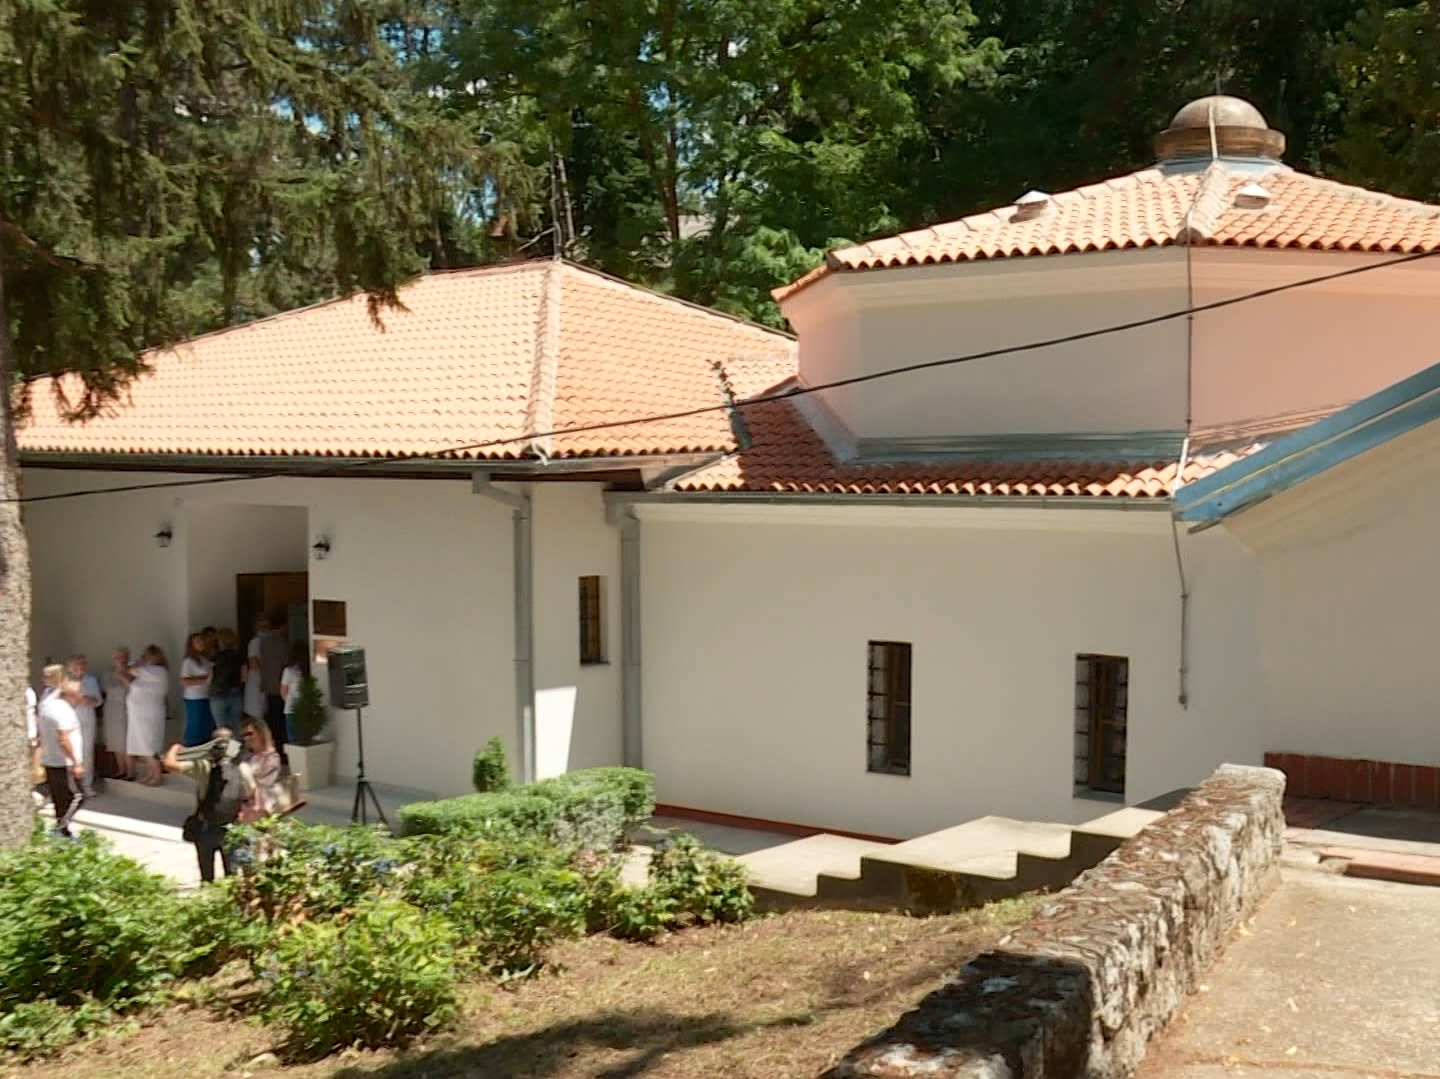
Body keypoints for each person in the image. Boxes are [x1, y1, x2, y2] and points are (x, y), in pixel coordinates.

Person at [163, 730, 255, 883]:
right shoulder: (242, 767)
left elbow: (169, 765)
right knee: (231, 877)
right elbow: (251, 792)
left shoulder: (203, 765)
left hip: (206, 828)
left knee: (207, 878)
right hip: (231, 828)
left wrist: (175, 748)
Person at [37, 665, 86, 838]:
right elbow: (64, 739)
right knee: (76, 797)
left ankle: (63, 832)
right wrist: (76, 763)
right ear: (71, 694)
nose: (82, 696)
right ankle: (60, 829)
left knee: (60, 799)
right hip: (64, 763)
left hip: (51, 759)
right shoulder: (63, 711)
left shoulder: (48, 707)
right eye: (80, 693)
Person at [236, 718, 298, 823]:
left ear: (261, 733)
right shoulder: (247, 756)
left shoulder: (272, 757)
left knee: (243, 767)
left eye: (250, 733)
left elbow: (266, 782)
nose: (247, 738)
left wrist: (247, 775)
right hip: (245, 804)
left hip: (264, 805)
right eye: (244, 735)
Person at [127, 646, 169, 785]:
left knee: (149, 744)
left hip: (149, 715)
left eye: (150, 656)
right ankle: (152, 773)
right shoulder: (145, 672)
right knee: (142, 744)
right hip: (139, 715)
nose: (147, 658)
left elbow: (130, 668)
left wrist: (138, 661)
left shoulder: (159, 671)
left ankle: (157, 775)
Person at [256, 612, 290, 760]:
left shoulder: (264, 642)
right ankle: (281, 749)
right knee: (280, 720)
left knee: (272, 717)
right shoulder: (282, 643)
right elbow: (285, 662)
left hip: (268, 683)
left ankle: (271, 746)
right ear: (283, 626)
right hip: (280, 683)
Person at [67, 655, 102, 792]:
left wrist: (90, 700)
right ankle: (72, 786)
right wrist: (75, 699)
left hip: (87, 717)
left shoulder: (91, 680)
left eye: (83, 664)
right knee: (72, 752)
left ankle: (87, 784)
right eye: (77, 664)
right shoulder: (66, 680)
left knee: (87, 752)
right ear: (71, 667)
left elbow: (99, 700)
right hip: (71, 719)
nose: (81, 667)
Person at [103, 647, 133, 780]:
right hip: (112, 709)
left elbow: (132, 689)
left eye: (122, 657)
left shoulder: (132, 673)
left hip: (126, 708)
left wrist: (123, 677)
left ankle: (130, 771)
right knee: (114, 740)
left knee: (125, 740)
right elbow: (106, 689)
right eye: (117, 657)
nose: (120, 660)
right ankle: (121, 769)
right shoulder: (107, 674)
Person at [180, 632, 214, 746]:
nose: (201, 643)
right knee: (195, 724)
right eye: (197, 641)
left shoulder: (204, 659)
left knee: (205, 724)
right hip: (194, 697)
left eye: (202, 640)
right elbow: (184, 680)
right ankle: (191, 746)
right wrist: (203, 680)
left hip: (206, 695)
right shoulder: (188, 661)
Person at [209, 627, 245, 732]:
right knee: (236, 725)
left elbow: (210, 676)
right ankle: (236, 742)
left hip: (218, 693)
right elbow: (244, 675)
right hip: (235, 692)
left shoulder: (216, 657)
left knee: (221, 727)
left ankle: (225, 742)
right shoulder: (239, 655)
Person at [280, 641, 309, 745]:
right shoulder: (308, 671)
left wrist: (289, 701)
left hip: (291, 709)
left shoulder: (289, 671)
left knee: (293, 740)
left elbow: (283, 691)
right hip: (305, 709)